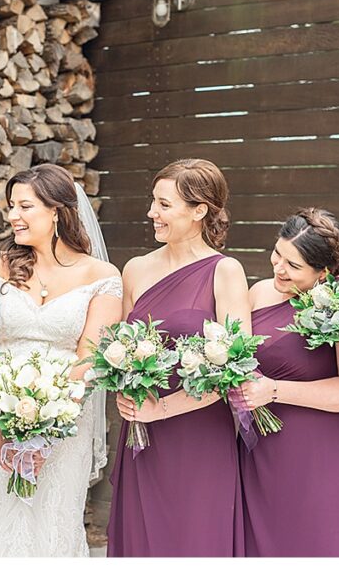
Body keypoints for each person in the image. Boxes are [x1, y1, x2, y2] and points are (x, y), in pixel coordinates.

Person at [0, 163, 121, 557]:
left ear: (56, 211)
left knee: (53, 526)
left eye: (24, 206)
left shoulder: (101, 275)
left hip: (65, 423)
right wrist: (1, 424)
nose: (12, 215)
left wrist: (49, 423)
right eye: (11, 206)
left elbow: (91, 357)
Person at [106, 158, 249, 557]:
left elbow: (236, 368)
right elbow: (117, 349)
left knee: (195, 539)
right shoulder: (134, 269)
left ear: (199, 210)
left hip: (199, 434)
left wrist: (163, 408)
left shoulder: (225, 272)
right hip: (141, 434)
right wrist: (123, 384)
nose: (152, 212)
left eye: (164, 204)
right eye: (153, 202)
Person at [237, 208, 339, 556]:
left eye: (293, 265)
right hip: (266, 452)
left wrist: (273, 390)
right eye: (277, 254)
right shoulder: (258, 293)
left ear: (324, 273)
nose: (279, 268)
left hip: (328, 458)